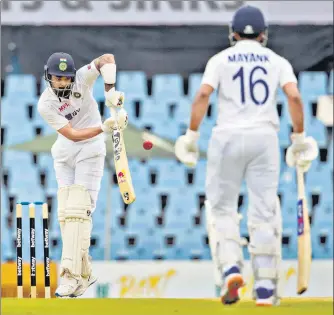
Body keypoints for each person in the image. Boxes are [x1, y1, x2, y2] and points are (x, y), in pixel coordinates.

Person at [175, 5, 318, 306]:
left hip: (226, 137)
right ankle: (265, 287)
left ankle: (230, 270)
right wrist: (299, 138)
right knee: (265, 210)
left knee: (221, 208)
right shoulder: (277, 60)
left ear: (233, 34)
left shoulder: (220, 59)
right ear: (264, 34)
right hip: (264, 139)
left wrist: (191, 135)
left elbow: (202, 95)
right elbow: (293, 96)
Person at [38, 52, 128, 297]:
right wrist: (104, 127)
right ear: (49, 77)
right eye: (57, 78)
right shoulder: (45, 104)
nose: (63, 83)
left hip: (91, 151)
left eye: (66, 78)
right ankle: (84, 270)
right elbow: (72, 134)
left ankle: (70, 275)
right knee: (67, 215)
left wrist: (110, 91)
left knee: (80, 211)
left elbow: (107, 58)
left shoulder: (81, 79)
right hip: (65, 152)